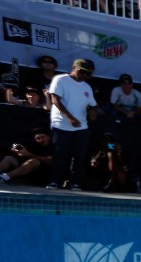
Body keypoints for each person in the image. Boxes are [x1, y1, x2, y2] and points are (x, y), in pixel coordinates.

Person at [46, 58, 97, 190]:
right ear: (74, 68)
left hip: (81, 127)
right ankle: (55, 181)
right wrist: (70, 117)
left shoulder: (87, 87)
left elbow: (93, 105)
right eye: (83, 72)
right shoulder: (60, 79)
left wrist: (93, 112)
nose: (86, 76)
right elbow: (55, 100)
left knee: (79, 156)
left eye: (89, 73)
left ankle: (75, 182)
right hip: (61, 125)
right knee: (60, 154)